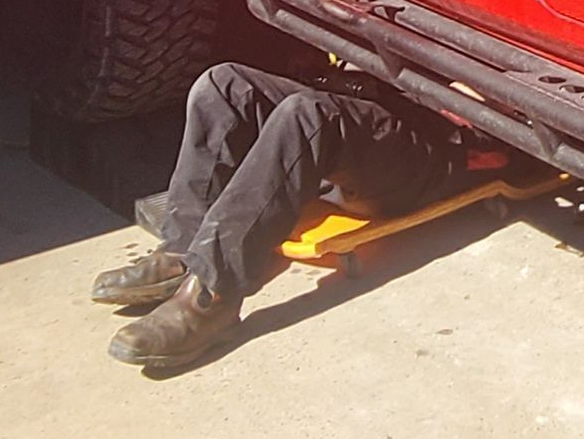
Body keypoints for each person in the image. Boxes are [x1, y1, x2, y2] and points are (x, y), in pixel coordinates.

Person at [93, 61, 455, 370]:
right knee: (224, 85)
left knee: (308, 114)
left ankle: (212, 292)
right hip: (372, 97)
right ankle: (183, 250)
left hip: (437, 146)